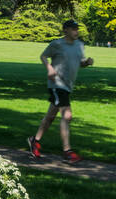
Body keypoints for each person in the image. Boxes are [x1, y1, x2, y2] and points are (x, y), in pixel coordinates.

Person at [28, 19, 94, 162]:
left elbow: (79, 63)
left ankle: (35, 141)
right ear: (65, 30)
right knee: (67, 116)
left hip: (68, 86)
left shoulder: (80, 45)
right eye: (73, 29)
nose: (76, 31)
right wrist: (49, 68)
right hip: (57, 84)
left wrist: (86, 63)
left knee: (51, 116)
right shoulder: (57, 44)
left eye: (77, 29)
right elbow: (43, 56)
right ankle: (67, 152)